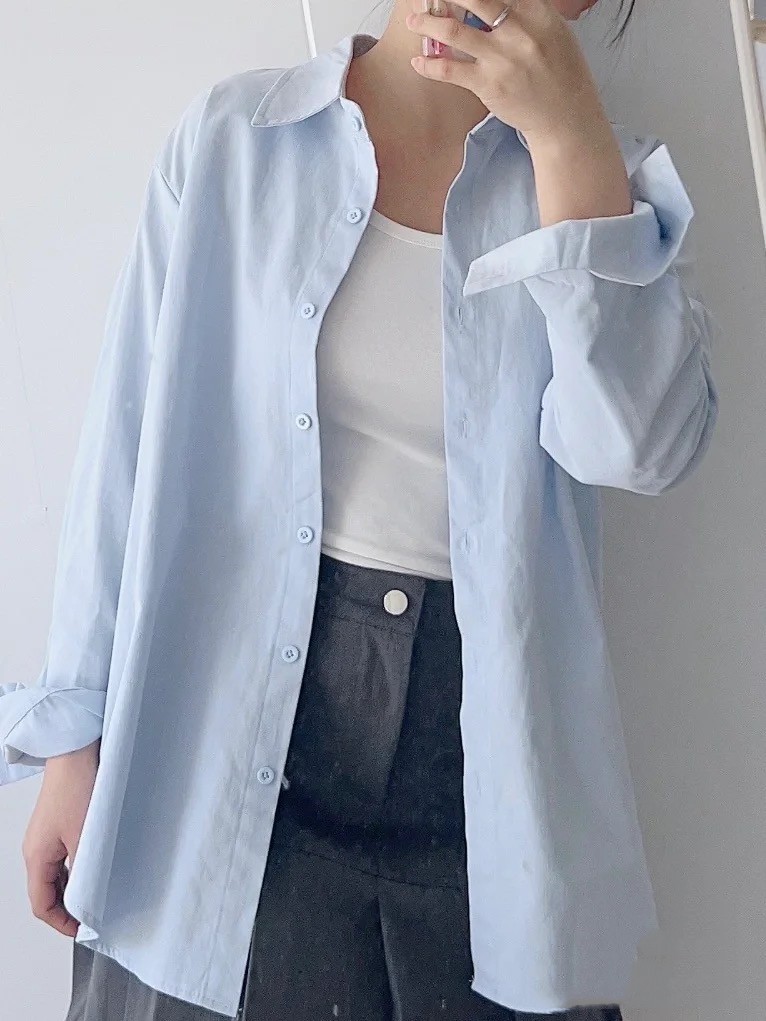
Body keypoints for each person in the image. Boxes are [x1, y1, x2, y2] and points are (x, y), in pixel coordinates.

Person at [0, 0, 720, 1018]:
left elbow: (640, 449)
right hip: (218, 731)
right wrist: (75, 740)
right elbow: (122, 451)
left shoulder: (606, 180)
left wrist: (568, 143)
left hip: (481, 759)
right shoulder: (237, 141)